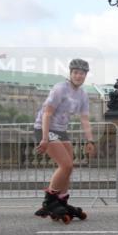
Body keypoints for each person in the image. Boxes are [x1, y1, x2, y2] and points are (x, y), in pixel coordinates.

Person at [33, 58, 97, 221]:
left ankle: (62, 199)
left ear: (85, 75)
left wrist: (90, 141)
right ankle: (50, 200)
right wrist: (45, 138)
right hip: (44, 128)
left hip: (61, 130)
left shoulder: (82, 94)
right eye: (75, 73)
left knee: (70, 167)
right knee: (65, 164)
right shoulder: (60, 88)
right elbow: (47, 114)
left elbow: (84, 120)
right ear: (70, 74)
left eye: (82, 73)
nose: (78, 76)